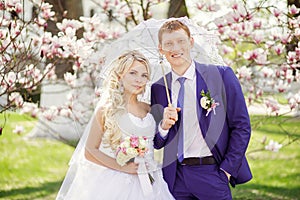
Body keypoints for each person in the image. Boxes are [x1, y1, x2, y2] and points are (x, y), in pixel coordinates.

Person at [151, 19, 252, 200]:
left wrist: (227, 170)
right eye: (168, 44)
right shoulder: (159, 88)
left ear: (191, 42)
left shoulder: (221, 75)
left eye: (181, 41)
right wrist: (164, 127)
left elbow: (242, 126)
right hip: (176, 178)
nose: (175, 48)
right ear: (161, 49)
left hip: (213, 172)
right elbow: (157, 142)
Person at [56, 50, 174, 200]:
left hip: (152, 179)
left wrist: (165, 123)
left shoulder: (148, 108)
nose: (139, 79)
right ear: (120, 76)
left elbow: (157, 140)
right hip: (119, 180)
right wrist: (123, 167)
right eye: (133, 73)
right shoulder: (107, 110)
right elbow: (90, 151)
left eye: (144, 75)